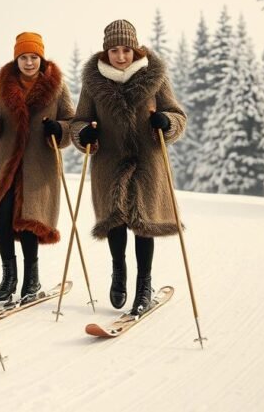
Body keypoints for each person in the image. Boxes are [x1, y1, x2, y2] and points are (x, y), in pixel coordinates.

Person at [69, 19, 186, 316]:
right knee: (116, 221)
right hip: (108, 160)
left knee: (143, 222)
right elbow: (79, 120)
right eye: (114, 50)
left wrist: (166, 122)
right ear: (105, 51)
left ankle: (144, 285)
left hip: (147, 160)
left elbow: (176, 115)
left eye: (126, 50)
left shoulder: (154, 76)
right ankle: (118, 271)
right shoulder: (94, 81)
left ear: (135, 49)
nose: (120, 56)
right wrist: (84, 134)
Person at [0, 32, 73, 303]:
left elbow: (71, 122)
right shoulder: (1, 86)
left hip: (38, 164)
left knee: (30, 221)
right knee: (2, 219)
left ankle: (32, 278)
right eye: (23, 57)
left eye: (33, 57)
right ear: (16, 58)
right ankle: (10, 277)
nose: (29, 62)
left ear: (41, 58)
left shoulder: (57, 87)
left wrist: (59, 129)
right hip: (6, 163)